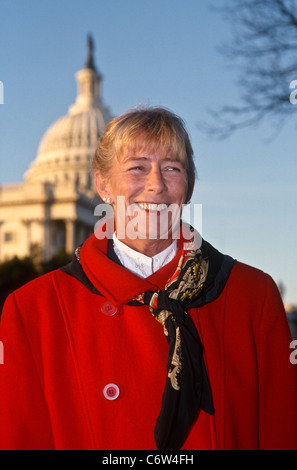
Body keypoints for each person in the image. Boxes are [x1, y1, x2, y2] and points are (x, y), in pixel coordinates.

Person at [0, 107, 297, 450]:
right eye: (137, 167)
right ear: (103, 184)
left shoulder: (251, 295)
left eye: (172, 168)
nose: (156, 184)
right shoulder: (34, 309)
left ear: (188, 187)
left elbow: (281, 432)